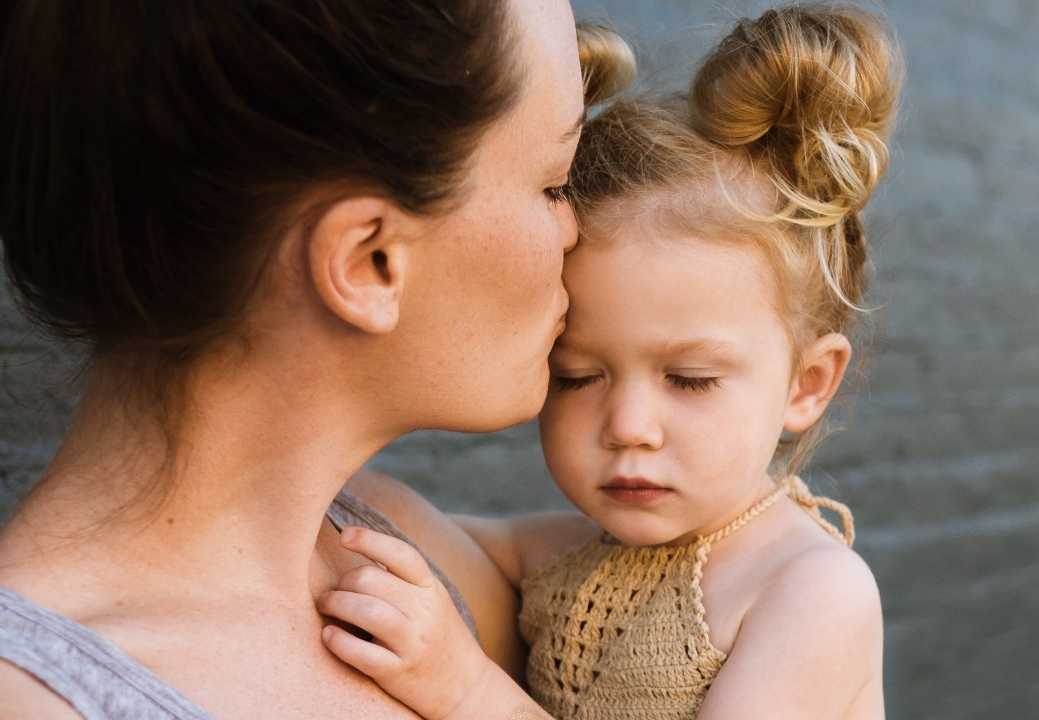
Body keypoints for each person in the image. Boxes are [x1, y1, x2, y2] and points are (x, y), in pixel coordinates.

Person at [0, 1, 630, 717]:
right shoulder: (37, 701)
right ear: (369, 261)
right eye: (552, 184)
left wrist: (778, 586)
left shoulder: (403, 549)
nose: (576, 230)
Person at [316, 6, 903, 718]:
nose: (628, 426)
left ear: (806, 385)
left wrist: (465, 688)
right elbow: (401, 526)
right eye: (578, 376)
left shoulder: (806, 589)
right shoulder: (567, 557)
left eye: (689, 380)